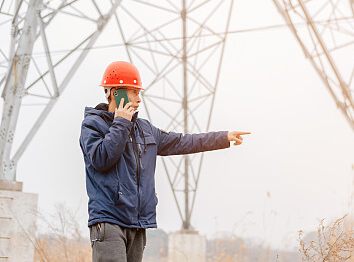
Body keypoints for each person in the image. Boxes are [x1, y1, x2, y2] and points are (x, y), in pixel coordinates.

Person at [79, 61, 250, 262]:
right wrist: (121, 122)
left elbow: (183, 142)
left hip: (137, 224)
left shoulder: (146, 130)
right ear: (117, 93)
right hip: (108, 221)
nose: (139, 99)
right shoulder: (92, 125)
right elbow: (101, 159)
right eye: (134, 92)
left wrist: (223, 137)